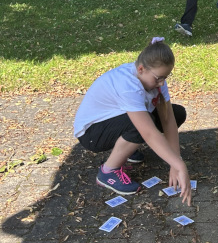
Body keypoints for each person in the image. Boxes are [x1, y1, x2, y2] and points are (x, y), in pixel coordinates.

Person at [73, 38, 191, 204]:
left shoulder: (154, 78)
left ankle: (127, 148)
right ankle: (108, 172)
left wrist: (175, 160)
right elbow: (148, 132)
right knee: (143, 124)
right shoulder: (128, 85)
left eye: (166, 77)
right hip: (91, 133)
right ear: (141, 69)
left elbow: (168, 119)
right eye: (158, 78)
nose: (162, 83)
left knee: (177, 113)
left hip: (113, 121)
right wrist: (180, 166)